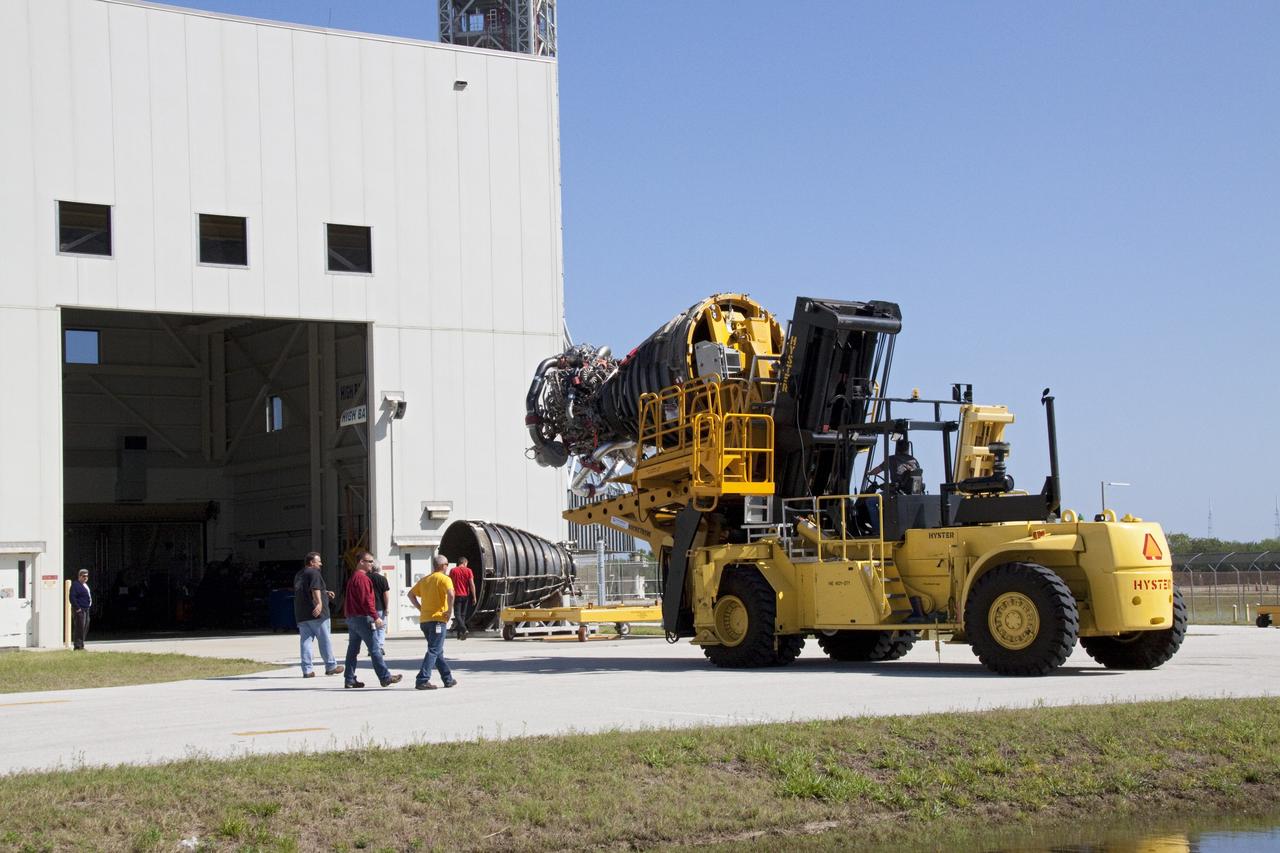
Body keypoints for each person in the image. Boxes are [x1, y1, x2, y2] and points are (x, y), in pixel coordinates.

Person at [343, 552, 402, 689]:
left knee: (352, 650)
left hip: (352, 618)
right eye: (369, 561)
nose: (371, 564)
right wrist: (376, 617)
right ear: (361, 562)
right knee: (375, 648)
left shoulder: (353, 577)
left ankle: (349, 679)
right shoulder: (362, 579)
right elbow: (367, 601)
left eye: (372, 561)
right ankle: (385, 677)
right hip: (362, 619)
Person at [408, 555, 457, 690]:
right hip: (438, 620)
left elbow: (410, 594)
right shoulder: (445, 579)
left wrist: (420, 608)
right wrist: (449, 611)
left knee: (437, 651)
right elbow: (451, 594)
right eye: (447, 564)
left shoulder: (425, 580)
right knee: (434, 650)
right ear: (443, 566)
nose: (448, 567)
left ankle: (448, 679)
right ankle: (422, 679)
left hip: (425, 621)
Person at [293, 552, 343, 679]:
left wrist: (325, 592)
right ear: (311, 562)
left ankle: (307, 670)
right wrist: (319, 604)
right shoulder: (314, 573)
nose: (321, 564)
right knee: (324, 640)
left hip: (302, 614)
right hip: (317, 614)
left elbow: (307, 590)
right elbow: (315, 589)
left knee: (306, 641)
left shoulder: (299, 574)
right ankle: (331, 666)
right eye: (318, 561)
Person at [449, 556, 477, 640]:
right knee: (463, 615)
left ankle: (462, 630)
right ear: (464, 562)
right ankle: (461, 633)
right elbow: (472, 584)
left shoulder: (453, 570)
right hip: (466, 595)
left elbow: (450, 583)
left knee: (457, 614)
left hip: (456, 595)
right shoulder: (469, 571)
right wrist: (474, 596)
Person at [369, 561, 390, 656]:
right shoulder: (382, 579)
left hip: (369, 608)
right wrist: (387, 607)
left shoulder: (366, 578)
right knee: (381, 628)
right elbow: (386, 595)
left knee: (372, 628)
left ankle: (372, 647)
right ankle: (380, 647)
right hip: (380, 607)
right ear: (379, 568)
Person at [69, 569, 92, 650]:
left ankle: (81, 644)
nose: (85, 577)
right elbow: (72, 598)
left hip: (86, 609)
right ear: (79, 576)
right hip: (79, 610)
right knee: (79, 628)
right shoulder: (75, 585)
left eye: (87, 576)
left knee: (85, 627)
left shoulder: (85, 585)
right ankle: (77, 646)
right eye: (84, 576)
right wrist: (78, 608)